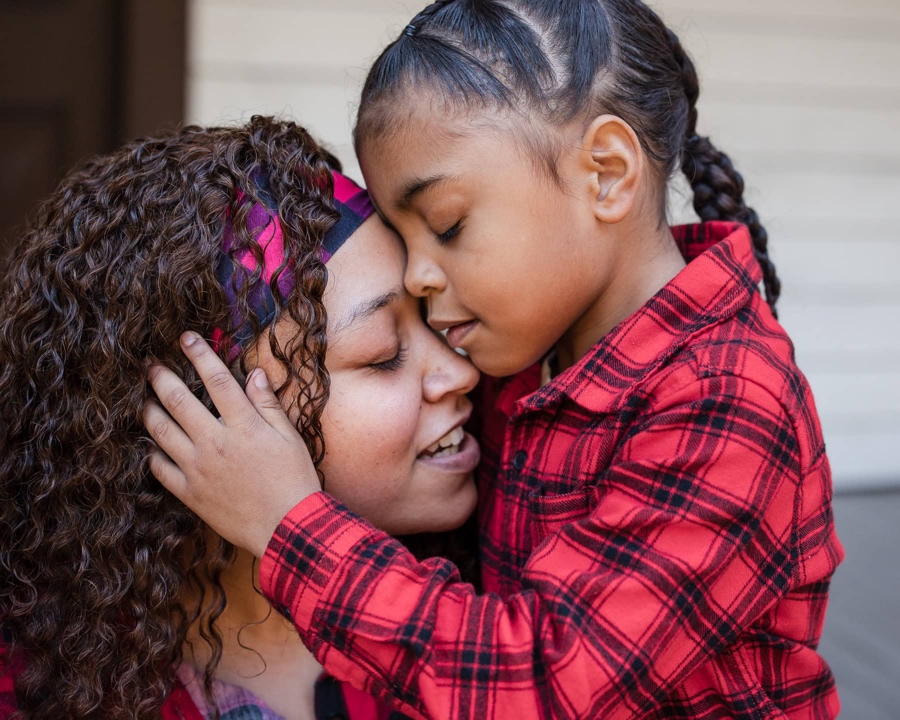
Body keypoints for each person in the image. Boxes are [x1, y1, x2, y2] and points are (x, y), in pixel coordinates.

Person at [144, 1, 844, 718]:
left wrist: (289, 525)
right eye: (405, 238)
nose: (417, 275)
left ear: (606, 173)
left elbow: (539, 683)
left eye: (446, 225)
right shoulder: (535, 348)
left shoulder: (726, 397)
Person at [0, 116, 481, 720]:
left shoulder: (501, 616)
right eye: (384, 356)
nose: (461, 373)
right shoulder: (53, 689)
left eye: (436, 319)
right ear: (197, 419)